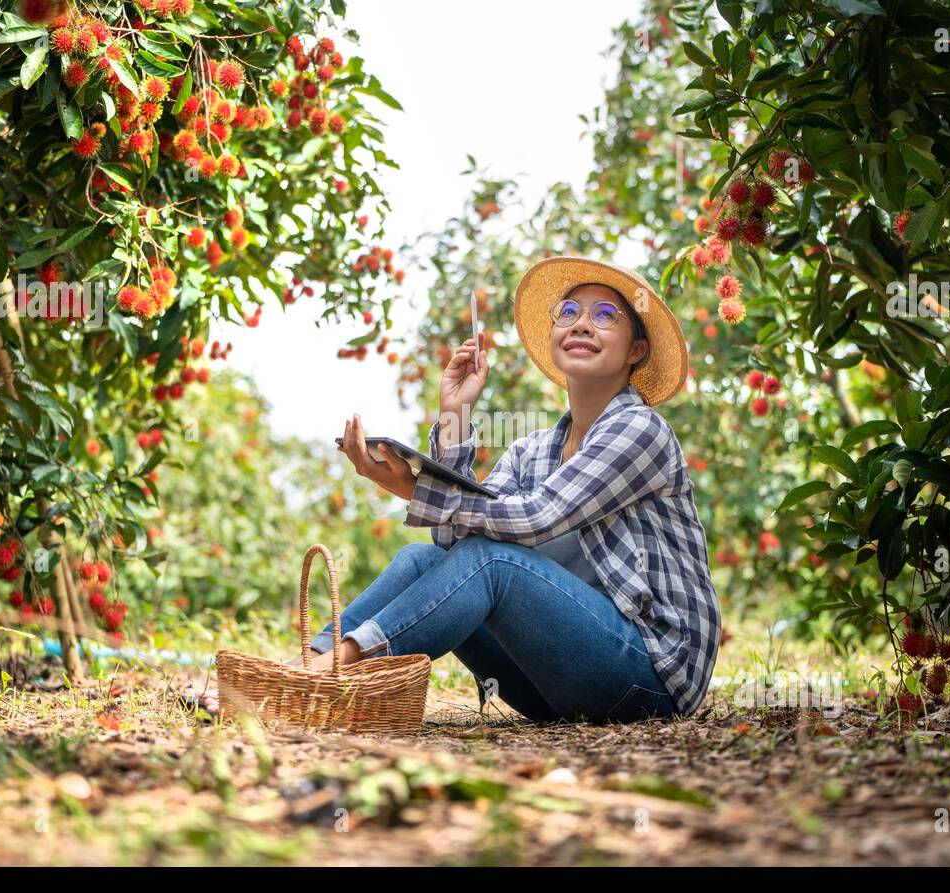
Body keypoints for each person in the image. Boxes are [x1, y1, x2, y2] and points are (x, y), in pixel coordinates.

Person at [301, 255, 721, 723]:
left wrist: (415, 492)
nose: (582, 324)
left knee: (494, 562)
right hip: (553, 686)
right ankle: (300, 669)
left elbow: (535, 517)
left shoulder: (641, 430)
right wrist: (455, 414)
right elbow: (455, 541)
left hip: (649, 678)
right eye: (568, 313)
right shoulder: (532, 451)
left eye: (605, 315)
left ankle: (328, 674)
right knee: (423, 560)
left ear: (635, 351)